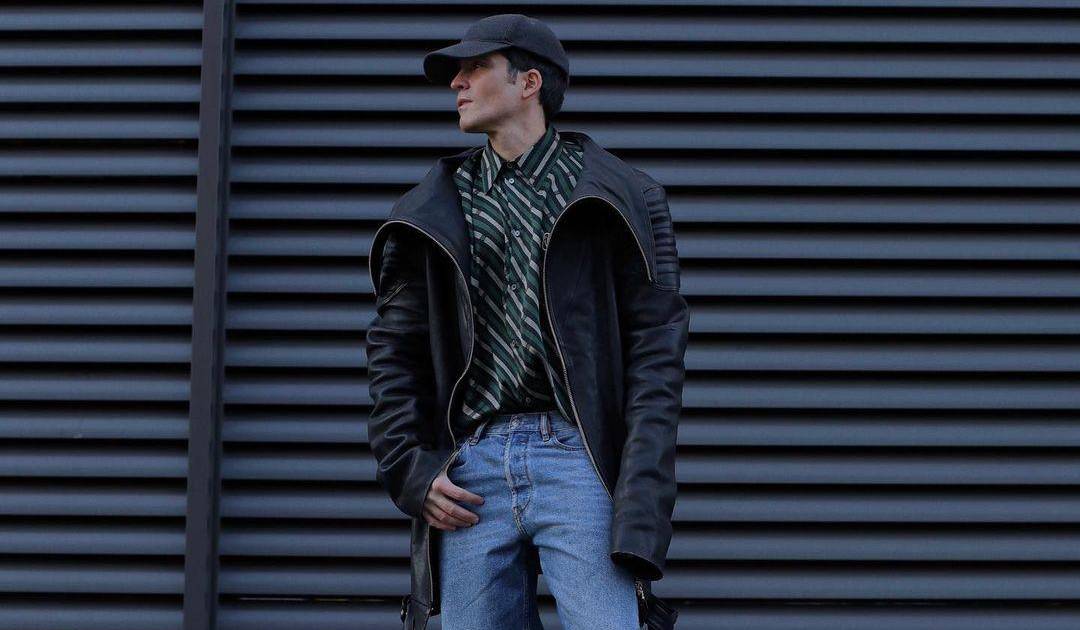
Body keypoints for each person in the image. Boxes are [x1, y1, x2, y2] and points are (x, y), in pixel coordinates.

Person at [366, 13, 688, 629]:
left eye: (475, 68)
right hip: (472, 470)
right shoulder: (431, 208)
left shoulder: (622, 196)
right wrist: (410, 468)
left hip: (580, 458)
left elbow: (658, 357)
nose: (457, 83)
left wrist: (642, 500)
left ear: (529, 83)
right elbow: (392, 350)